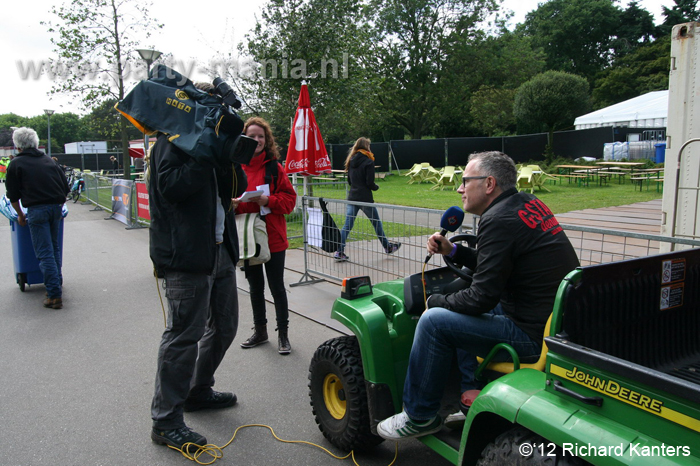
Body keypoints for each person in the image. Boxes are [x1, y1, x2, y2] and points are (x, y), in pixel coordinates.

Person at [377, 151, 580, 440]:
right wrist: (454, 251)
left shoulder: (497, 219)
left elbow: (480, 298)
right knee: (456, 310)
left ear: (489, 184)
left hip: (531, 334)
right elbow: (497, 264)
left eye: (464, 181)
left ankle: (419, 416)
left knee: (435, 321)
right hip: (553, 322)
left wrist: (434, 302)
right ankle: (468, 394)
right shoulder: (527, 203)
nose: (459, 189)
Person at [147, 84, 248, 453]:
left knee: (225, 326)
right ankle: (165, 420)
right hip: (185, 257)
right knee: (183, 336)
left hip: (218, 250)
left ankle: (197, 390)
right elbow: (171, 188)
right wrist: (203, 153)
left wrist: (227, 153)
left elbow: (239, 185)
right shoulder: (169, 143)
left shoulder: (210, 143)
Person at [235, 117, 297, 354]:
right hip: (248, 239)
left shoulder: (274, 168)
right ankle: (260, 331)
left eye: (261, 136)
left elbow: (290, 201)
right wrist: (235, 203)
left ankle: (283, 335)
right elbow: (232, 202)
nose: (257, 140)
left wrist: (268, 200)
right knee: (255, 287)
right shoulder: (236, 168)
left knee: (276, 287)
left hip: (273, 238)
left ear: (267, 140)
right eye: (252, 136)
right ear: (244, 140)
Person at [5, 127, 69, 309]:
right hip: (56, 208)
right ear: (35, 142)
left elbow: (13, 195)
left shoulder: (16, 164)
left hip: (36, 210)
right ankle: (56, 283)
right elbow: (65, 187)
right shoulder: (49, 161)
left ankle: (54, 295)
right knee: (54, 249)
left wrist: (20, 215)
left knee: (44, 253)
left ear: (18, 146)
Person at [334, 137, 400, 262]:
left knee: (347, 225)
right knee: (376, 223)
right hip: (365, 198)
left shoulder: (351, 160)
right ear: (366, 147)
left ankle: (339, 251)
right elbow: (370, 182)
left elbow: (349, 181)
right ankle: (388, 247)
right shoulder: (368, 162)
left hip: (352, 197)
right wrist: (376, 187)